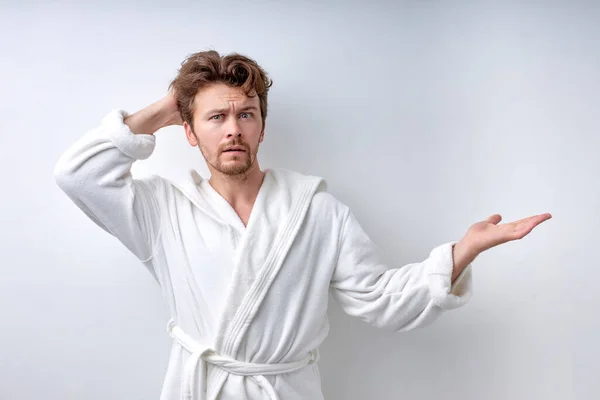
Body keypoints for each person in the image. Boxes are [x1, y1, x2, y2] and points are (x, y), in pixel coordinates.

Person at [53, 50, 552, 400]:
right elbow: (77, 175)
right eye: (215, 118)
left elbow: (380, 300)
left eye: (246, 114)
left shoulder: (317, 211)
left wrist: (462, 251)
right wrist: (171, 102)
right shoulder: (161, 212)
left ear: (262, 127)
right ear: (187, 132)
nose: (233, 129)